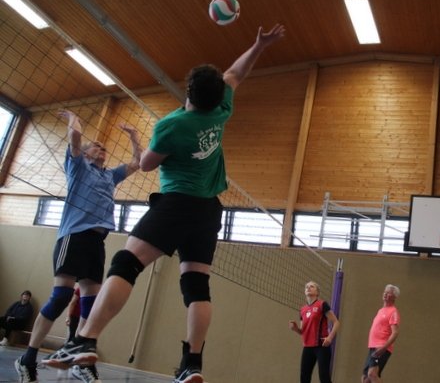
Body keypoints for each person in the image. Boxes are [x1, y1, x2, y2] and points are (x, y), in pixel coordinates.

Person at [46, 24, 286, 383]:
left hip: (176, 203)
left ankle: (85, 339)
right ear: (217, 94)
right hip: (209, 210)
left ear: (188, 91)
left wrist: (147, 145)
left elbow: (146, 164)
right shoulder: (222, 109)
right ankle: (192, 363)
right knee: (197, 286)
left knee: (126, 263)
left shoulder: (172, 125)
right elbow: (236, 74)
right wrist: (259, 46)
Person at [14, 110, 141, 383]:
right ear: (84, 153)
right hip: (73, 236)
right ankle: (27, 358)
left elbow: (137, 163)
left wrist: (134, 136)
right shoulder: (78, 167)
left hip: (97, 242)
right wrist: (73, 117)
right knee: (61, 296)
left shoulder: (110, 176)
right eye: (96, 145)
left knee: (91, 305)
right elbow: (74, 137)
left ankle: (79, 360)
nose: (102, 148)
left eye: (104, 147)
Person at [288, 281, 340, 383]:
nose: (308, 288)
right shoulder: (302, 310)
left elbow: (336, 322)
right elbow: (302, 331)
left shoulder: (322, 304)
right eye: (306, 287)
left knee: (324, 377)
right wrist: (295, 328)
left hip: (322, 345)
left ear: (317, 292)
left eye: (311, 286)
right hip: (307, 347)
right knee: (304, 377)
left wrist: (330, 338)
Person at [362, 284, 401, 383]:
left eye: (389, 293)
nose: (385, 294)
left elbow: (395, 333)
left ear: (394, 297)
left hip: (381, 347)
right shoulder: (381, 310)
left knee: (372, 374)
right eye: (385, 292)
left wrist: (383, 348)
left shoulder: (393, 312)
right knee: (365, 378)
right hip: (373, 347)